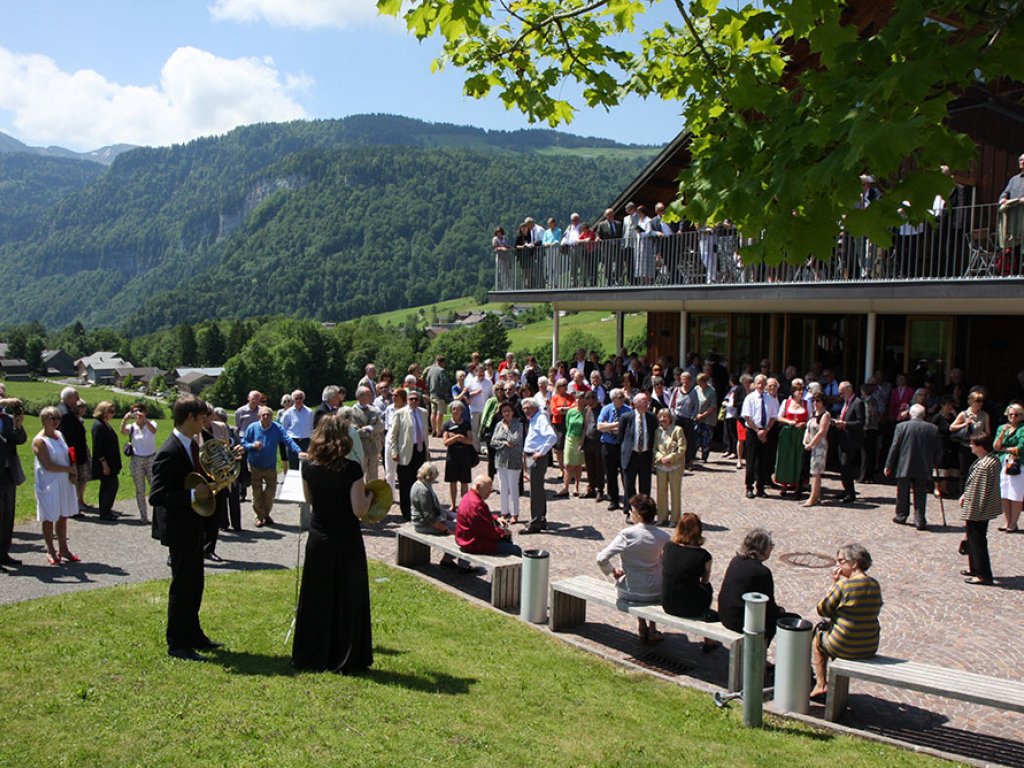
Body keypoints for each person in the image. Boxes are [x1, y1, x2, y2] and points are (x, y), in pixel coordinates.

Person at [292, 415, 373, 673]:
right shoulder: (351, 469)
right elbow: (359, 510)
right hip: (346, 537)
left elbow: (310, 500)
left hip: (319, 536)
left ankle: (313, 652)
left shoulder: (308, 467)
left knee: (317, 596)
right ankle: (347, 655)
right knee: (348, 596)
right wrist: (371, 495)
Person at [150, 396, 220, 661]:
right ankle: (177, 643)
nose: (205, 423)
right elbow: (156, 496)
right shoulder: (169, 451)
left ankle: (193, 633)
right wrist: (193, 496)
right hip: (179, 528)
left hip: (193, 525)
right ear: (190, 417)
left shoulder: (191, 444)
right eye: (202, 418)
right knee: (182, 585)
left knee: (195, 582)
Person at [809, 543, 883, 701]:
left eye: (841, 561)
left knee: (818, 641)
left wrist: (834, 584)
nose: (837, 565)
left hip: (845, 645)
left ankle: (821, 684)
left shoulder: (844, 586)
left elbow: (822, 609)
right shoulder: (874, 585)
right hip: (869, 645)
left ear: (854, 563)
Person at [596, 494, 670, 643]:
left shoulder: (627, 535)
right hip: (656, 591)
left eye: (631, 510)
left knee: (636, 583)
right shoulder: (664, 536)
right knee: (652, 578)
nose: (630, 513)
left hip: (630, 591)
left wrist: (613, 571)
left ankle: (642, 625)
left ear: (638, 513)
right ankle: (651, 628)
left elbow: (601, 558)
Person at [718, 528, 784, 645]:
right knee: (781, 618)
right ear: (763, 548)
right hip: (740, 621)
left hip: (725, 614)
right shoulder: (762, 572)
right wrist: (780, 611)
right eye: (771, 546)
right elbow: (769, 605)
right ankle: (759, 656)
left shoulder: (736, 561)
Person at [32, 407, 79, 565]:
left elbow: (67, 456)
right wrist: (68, 469)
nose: (55, 421)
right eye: (52, 418)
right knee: (49, 516)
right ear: (44, 420)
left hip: (63, 481)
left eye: (58, 418)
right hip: (49, 483)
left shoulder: (59, 435)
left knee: (63, 515)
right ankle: (51, 549)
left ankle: (63, 548)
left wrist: (72, 471)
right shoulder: (40, 440)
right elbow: (47, 465)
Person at [242, 406, 303, 528]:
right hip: (255, 465)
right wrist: (253, 445)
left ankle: (265, 513)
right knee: (257, 493)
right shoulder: (252, 428)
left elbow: (287, 440)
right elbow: (244, 443)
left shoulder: (277, 428)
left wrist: (298, 451)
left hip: (270, 466)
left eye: (268, 415)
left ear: (272, 416)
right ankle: (260, 517)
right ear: (259, 416)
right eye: (263, 415)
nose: (266, 417)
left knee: (270, 493)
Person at [661, 513, 716, 649]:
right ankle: (708, 639)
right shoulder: (704, 556)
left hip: (667, 602)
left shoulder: (668, 547)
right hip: (689, 608)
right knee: (708, 589)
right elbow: (705, 581)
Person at [885, 403, 941, 530]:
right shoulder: (933, 428)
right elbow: (938, 449)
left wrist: (889, 464)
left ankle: (901, 515)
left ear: (911, 414)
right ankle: (919, 519)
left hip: (905, 464)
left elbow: (895, 447)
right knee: (921, 492)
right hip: (923, 465)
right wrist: (936, 462)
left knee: (902, 492)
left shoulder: (901, 426)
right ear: (924, 415)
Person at [959, 432, 1001, 585]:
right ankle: (974, 568)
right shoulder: (990, 460)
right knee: (973, 538)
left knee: (977, 540)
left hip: (978, 509)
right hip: (981, 507)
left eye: (972, 444)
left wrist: (972, 513)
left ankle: (983, 574)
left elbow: (980, 492)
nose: (970, 446)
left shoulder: (984, 465)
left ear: (980, 446)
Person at [387, 388, 429, 522]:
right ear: (407, 400)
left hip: (420, 450)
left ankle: (419, 509)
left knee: (420, 483)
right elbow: (393, 435)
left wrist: (427, 452)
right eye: (411, 399)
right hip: (405, 453)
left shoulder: (423, 413)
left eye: (417, 399)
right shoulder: (400, 413)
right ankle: (406, 512)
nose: (414, 401)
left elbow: (425, 433)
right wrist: (394, 451)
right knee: (405, 484)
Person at [455, 475, 520, 556]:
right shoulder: (476, 504)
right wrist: (503, 533)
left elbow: (481, 517)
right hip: (473, 543)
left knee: (505, 540)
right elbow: (488, 531)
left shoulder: (468, 496)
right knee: (515, 550)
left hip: (465, 538)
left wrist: (496, 518)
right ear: (478, 487)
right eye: (487, 491)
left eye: (490, 491)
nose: (489, 494)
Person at [520, 398, 556, 534]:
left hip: (536, 458)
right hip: (530, 457)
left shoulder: (540, 419)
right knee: (536, 487)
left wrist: (541, 452)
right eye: (524, 408)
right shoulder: (533, 419)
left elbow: (551, 437)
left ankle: (535, 522)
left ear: (535, 407)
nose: (525, 410)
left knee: (535, 490)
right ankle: (540, 519)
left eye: (528, 408)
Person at [741, 374, 779, 498]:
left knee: (763, 461)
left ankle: (761, 487)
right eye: (759, 383)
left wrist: (766, 430)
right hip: (753, 431)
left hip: (766, 431)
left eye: (763, 383)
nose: (761, 385)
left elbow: (774, 416)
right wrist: (757, 430)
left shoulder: (770, 399)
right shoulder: (750, 398)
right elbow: (747, 416)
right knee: (751, 460)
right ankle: (749, 487)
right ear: (755, 384)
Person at [0, 395, 27, 568]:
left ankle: (3, 552)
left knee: (7, 515)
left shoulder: (7, 420)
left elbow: (20, 439)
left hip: (8, 472)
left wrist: (18, 425)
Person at [120, 403, 157, 523]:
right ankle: (143, 516)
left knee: (155, 487)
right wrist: (124, 420)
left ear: (145, 412)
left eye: (141, 411)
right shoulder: (132, 427)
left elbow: (154, 430)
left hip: (151, 458)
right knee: (140, 489)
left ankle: (158, 515)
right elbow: (123, 432)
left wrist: (144, 420)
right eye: (135, 412)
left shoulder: (151, 423)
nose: (138, 414)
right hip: (137, 459)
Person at [619, 392, 657, 509]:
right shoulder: (626, 417)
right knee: (629, 486)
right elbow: (621, 438)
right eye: (644, 402)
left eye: (647, 402)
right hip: (631, 456)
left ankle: (645, 511)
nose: (647, 404)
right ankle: (630, 510)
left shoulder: (651, 418)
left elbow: (653, 437)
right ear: (636, 404)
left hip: (645, 456)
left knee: (645, 487)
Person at [57, 387, 90, 514]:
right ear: (69, 398)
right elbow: (69, 440)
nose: (77, 400)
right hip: (72, 454)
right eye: (76, 397)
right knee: (73, 481)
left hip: (74, 452)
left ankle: (73, 506)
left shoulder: (64, 411)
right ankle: (71, 509)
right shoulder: (66, 415)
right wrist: (73, 460)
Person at [490, 402, 523, 524]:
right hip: (500, 460)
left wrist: (504, 437)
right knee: (503, 487)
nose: (506, 413)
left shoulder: (518, 425)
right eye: (504, 411)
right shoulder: (498, 425)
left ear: (513, 411)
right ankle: (504, 512)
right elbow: (493, 441)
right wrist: (503, 443)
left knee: (513, 487)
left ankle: (515, 514)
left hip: (514, 460)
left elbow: (514, 440)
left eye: (508, 410)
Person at [993, 402, 1024, 533]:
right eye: (1010, 414)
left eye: (1016, 415)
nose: (1013, 417)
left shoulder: (1023, 429)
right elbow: (996, 446)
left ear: (1022, 416)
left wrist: (1004, 449)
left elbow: (1021, 447)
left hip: (1018, 464)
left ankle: (1013, 523)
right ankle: (1007, 521)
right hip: (1004, 463)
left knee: (1016, 494)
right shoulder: (1002, 428)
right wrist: (1002, 434)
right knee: (1004, 493)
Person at [832, 381, 865, 504]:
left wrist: (845, 424)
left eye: (842, 392)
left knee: (846, 465)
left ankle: (851, 493)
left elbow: (860, 422)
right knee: (842, 465)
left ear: (849, 390)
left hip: (851, 439)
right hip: (842, 438)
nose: (840, 395)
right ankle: (846, 489)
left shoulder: (858, 403)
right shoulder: (846, 402)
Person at [597, 388, 630, 511]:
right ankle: (613, 500)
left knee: (625, 473)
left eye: (623, 396)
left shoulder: (628, 410)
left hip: (622, 446)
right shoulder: (606, 409)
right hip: (608, 445)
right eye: (620, 397)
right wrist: (617, 425)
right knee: (610, 474)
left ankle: (628, 500)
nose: (623, 399)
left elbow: (628, 429)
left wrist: (609, 426)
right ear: (614, 399)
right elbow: (600, 426)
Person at [774, 378, 808, 496]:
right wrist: (789, 422)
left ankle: (797, 483)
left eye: (802, 390)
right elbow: (779, 417)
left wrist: (804, 423)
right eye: (798, 390)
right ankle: (784, 484)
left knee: (798, 458)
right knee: (785, 458)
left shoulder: (806, 404)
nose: (801, 393)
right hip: (787, 433)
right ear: (793, 392)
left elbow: (811, 418)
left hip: (801, 434)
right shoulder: (786, 402)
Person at [653, 408, 686, 526]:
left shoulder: (677, 430)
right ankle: (662, 517)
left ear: (670, 418)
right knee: (661, 492)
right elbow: (655, 448)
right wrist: (661, 457)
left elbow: (682, 448)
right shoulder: (657, 431)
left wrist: (670, 458)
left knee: (675, 491)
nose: (663, 419)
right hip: (661, 465)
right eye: (661, 417)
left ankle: (675, 518)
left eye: (665, 416)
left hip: (675, 465)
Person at [90, 401, 122, 521]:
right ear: (103, 411)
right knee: (109, 486)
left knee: (111, 486)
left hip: (112, 461)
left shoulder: (105, 424)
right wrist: (104, 464)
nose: (113, 414)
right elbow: (98, 447)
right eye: (110, 411)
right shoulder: (98, 426)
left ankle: (107, 510)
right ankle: (104, 512)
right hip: (105, 463)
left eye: (114, 411)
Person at [443, 401, 475, 510]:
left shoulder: (466, 424)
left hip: (464, 456)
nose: (455, 411)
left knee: (464, 482)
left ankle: (464, 503)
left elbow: (470, 441)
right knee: (452, 482)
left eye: (458, 409)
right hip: (452, 456)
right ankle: (453, 504)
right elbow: (446, 442)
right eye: (453, 409)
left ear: (462, 411)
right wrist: (457, 438)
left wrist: (460, 438)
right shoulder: (447, 424)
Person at [802, 392, 831, 507]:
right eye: (813, 401)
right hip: (811, 444)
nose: (815, 403)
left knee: (815, 472)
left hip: (819, 446)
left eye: (817, 401)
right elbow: (808, 428)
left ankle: (813, 497)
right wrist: (805, 440)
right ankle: (816, 495)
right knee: (812, 471)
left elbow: (822, 432)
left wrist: (812, 444)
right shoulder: (814, 414)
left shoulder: (825, 415)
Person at [558, 394, 585, 498]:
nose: (578, 400)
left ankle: (576, 487)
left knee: (578, 464)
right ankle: (565, 487)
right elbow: (567, 425)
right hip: (570, 438)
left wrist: (581, 443)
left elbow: (584, 428)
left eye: (580, 398)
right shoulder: (571, 411)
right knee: (568, 464)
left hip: (580, 439)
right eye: (577, 398)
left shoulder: (585, 412)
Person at [280, 390, 314, 471]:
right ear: (293, 400)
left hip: (306, 441)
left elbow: (312, 427)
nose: (298, 400)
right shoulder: (288, 413)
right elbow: (284, 428)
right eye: (296, 398)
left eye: (300, 398)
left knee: (307, 466)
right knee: (293, 466)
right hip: (293, 441)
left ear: (303, 399)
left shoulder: (309, 412)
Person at [693, 373, 717, 463]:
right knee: (696, 437)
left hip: (708, 419)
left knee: (706, 439)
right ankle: (693, 456)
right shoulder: (696, 389)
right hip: (697, 417)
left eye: (701, 382)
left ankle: (704, 456)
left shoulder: (711, 391)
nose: (700, 384)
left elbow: (713, 406)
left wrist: (703, 415)